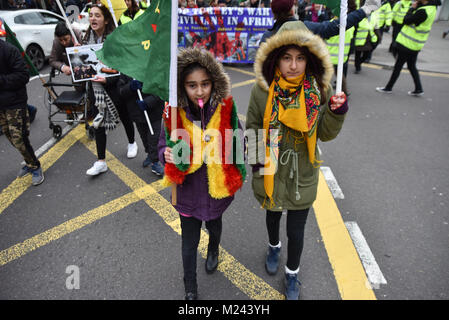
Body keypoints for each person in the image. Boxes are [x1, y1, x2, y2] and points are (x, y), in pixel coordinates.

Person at [246, 20, 348, 300]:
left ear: (309, 59)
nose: (293, 65)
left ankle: (292, 273)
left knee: (297, 229)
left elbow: (325, 133)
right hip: (271, 168)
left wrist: (337, 112)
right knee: (272, 214)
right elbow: (254, 126)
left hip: (303, 169)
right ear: (275, 59)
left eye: (300, 58)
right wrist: (256, 163)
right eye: (287, 58)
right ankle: (273, 245)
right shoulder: (262, 90)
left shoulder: (316, 90)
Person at [158, 48, 246, 300]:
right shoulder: (174, 114)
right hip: (188, 192)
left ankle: (214, 249)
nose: (199, 91)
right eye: (192, 85)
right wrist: (166, 154)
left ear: (214, 83)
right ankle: (190, 286)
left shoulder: (224, 109)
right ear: (182, 86)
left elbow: (238, 139)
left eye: (205, 84)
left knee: (215, 227)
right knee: (188, 243)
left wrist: (234, 147)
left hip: (215, 190)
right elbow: (162, 145)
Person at [82, 4, 138, 176]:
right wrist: (77, 54)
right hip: (96, 88)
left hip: (115, 86)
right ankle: (101, 161)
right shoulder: (85, 40)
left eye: (97, 15)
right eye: (91, 15)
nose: (93, 18)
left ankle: (131, 142)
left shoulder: (115, 39)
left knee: (124, 115)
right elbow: (83, 66)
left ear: (106, 20)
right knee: (98, 122)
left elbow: (124, 67)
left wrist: (108, 79)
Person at [0, 38, 44, 185]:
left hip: (15, 103)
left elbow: (23, 76)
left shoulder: (8, 50)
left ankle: (35, 166)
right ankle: (29, 160)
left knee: (19, 138)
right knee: (10, 137)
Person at [376, 0, 441, 96]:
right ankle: (419, 89)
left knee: (398, 66)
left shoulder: (422, 11)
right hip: (415, 44)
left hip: (408, 44)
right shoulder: (431, 8)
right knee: (411, 66)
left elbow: (406, 20)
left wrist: (412, 9)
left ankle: (388, 88)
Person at [260, 0, 381, 43]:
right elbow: (335, 26)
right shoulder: (304, 28)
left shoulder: (267, 37)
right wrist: (365, 10)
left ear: (273, 13)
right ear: (292, 10)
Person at [117, 76, 164, 175]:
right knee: (144, 136)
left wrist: (148, 102)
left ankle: (155, 162)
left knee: (154, 137)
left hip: (154, 111)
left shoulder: (152, 67)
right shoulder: (125, 71)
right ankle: (149, 154)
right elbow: (120, 92)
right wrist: (130, 87)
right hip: (136, 112)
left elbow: (161, 88)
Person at [325, 0, 357, 95]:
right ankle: (345, 92)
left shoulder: (331, 23)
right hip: (342, 57)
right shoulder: (349, 26)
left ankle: (322, 94)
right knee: (340, 76)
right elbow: (351, 41)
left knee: (324, 78)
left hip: (330, 56)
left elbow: (325, 37)